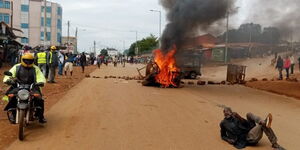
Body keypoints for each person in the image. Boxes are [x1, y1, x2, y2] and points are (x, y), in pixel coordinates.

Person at [3, 53, 47, 123]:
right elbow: (10, 74)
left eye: (30, 60)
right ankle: (13, 113)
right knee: (11, 96)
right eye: (26, 60)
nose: (28, 62)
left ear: (33, 61)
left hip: (32, 87)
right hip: (18, 86)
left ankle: (40, 116)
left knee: (39, 99)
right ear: (22, 60)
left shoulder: (36, 68)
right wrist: (8, 80)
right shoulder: (16, 67)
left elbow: (40, 76)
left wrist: (41, 82)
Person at [220, 107, 285, 150]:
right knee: (261, 125)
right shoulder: (223, 123)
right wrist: (228, 140)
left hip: (249, 130)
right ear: (224, 113)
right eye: (225, 111)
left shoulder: (236, 117)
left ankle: (262, 122)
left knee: (249, 114)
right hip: (248, 138)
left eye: (228, 111)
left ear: (231, 112)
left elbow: (246, 124)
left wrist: (239, 117)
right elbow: (223, 135)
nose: (227, 112)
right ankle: (275, 144)